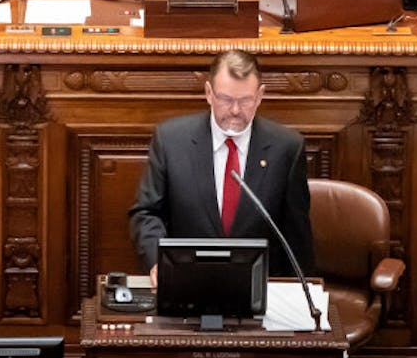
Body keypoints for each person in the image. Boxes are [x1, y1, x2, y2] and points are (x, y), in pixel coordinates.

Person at [128, 50, 312, 283]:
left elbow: (297, 237)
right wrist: (158, 262)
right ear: (208, 93)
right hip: (187, 281)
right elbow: (146, 213)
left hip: (260, 289)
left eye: (245, 100)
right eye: (226, 99)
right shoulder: (171, 141)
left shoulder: (287, 148)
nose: (235, 110)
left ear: (260, 96)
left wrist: (301, 295)